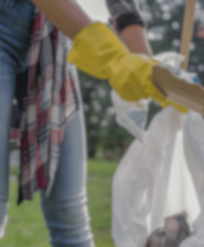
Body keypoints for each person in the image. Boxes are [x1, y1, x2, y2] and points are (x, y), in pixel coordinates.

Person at [0, 0, 175, 245]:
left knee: (71, 215)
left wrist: (160, 78)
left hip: (54, 35)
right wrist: (112, 55)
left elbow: (123, 7)